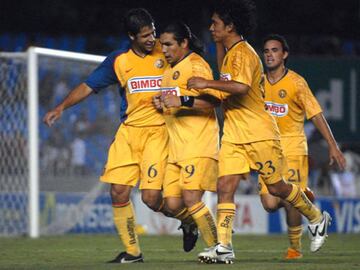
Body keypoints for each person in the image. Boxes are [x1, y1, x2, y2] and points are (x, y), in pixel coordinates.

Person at [182, 0, 335, 264]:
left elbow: (240, 87)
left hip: (259, 132)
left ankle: (316, 217)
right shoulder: (230, 53)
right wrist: (218, 45)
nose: (211, 27)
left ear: (230, 26)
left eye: (216, 24)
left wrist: (205, 82)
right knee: (225, 186)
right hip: (233, 133)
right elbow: (226, 78)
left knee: (277, 188)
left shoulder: (244, 53)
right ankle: (224, 246)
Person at [43, 8, 197, 264]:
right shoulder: (119, 61)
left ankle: (188, 220)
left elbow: (192, 62)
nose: (152, 39)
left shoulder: (166, 51)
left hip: (158, 133)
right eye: (146, 35)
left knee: (150, 198)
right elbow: (88, 86)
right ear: (132, 36)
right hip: (128, 133)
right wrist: (60, 107)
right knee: (118, 192)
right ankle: (133, 252)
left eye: (153, 33)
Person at [260, 34, 346, 259]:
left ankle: (294, 249)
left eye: (274, 50)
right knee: (269, 203)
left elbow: (316, 115)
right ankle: (306, 198)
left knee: (289, 200)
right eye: (266, 51)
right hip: (267, 149)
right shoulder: (258, 82)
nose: (269, 54)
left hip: (293, 147)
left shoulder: (296, 83)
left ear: (284, 54)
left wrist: (333, 146)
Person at [153, 21, 219, 260]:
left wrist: (182, 101)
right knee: (171, 204)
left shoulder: (196, 65)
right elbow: (173, 104)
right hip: (176, 148)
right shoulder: (168, 71)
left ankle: (217, 248)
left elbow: (213, 101)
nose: (165, 50)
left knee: (191, 198)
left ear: (184, 43)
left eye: (169, 44)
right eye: (162, 45)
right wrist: (162, 104)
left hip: (198, 144)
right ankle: (192, 223)